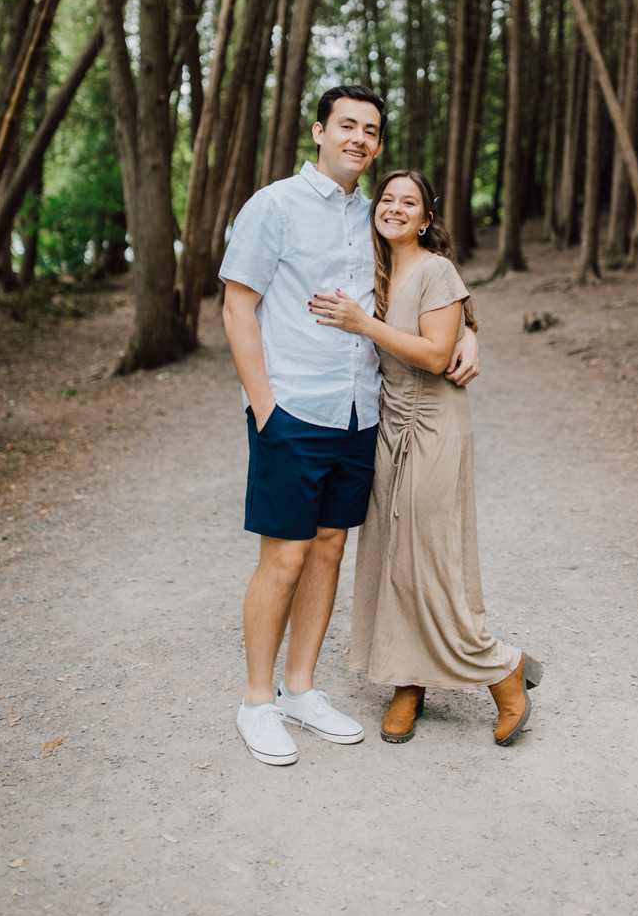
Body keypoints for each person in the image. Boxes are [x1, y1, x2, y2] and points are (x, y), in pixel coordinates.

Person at [220, 89, 480, 766]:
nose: (359, 139)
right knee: (284, 557)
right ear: (319, 131)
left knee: (331, 547)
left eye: (371, 131)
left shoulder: (375, 216)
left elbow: (431, 279)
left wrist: (472, 333)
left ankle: (302, 690)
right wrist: (263, 407)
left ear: (378, 145)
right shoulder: (272, 206)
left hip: (359, 411)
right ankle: (257, 702)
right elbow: (237, 306)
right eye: (347, 126)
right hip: (293, 409)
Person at [309, 169, 542, 746]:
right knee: (393, 557)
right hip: (387, 425)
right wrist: (470, 327)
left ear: (426, 218)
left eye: (407, 202)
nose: (393, 208)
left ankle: (503, 671)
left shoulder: (434, 268)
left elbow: (438, 356)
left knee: (432, 560)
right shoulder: (377, 268)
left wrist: (372, 325)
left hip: (433, 425)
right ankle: (407, 681)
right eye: (385, 198)